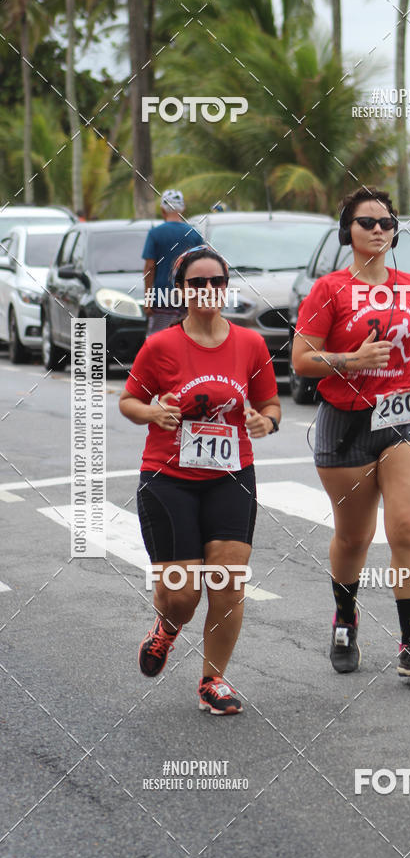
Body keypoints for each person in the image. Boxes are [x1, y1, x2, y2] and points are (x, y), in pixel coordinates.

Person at [292, 186, 410, 678]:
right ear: (348, 232)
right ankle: (344, 618)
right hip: (347, 424)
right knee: (354, 538)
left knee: (406, 528)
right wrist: (349, 360)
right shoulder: (328, 290)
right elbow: (301, 360)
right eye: (366, 222)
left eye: (386, 222)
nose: (378, 229)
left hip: (406, 416)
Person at [119, 245, 281, 714]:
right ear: (181, 290)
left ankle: (214, 680)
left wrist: (263, 422)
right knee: (183, 595)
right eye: (197, 283)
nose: (207, 290)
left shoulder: (250, 344)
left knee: (228, 583)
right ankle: (167, 628)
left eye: (216, 282)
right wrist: (153, 411)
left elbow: (271, 405)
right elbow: (129, 401)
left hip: (231, 476)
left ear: (226, 288)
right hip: (168, 478)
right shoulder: (161, 346)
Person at [142, 189, 205, 335]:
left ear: (162, 210)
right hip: (187, 300)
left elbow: (150, 267)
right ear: (183, 209)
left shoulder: (155, 234)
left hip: (161, 299)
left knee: (157, 341)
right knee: (186, 339)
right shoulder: (194, 234)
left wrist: (148, 300)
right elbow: (200, 268)